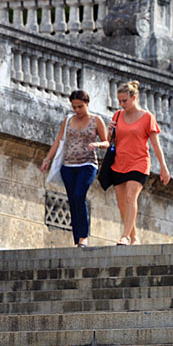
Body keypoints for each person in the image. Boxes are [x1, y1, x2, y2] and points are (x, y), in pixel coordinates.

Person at [40, 90, 108, 247]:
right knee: (72, 201)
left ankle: (83, 236)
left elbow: (106, 142)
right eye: (74, 107)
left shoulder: (96, 120)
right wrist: (47, 159)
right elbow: (59, 140)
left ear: (87, 103)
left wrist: (97, 144)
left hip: (88, 165)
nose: (77, 110)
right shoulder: (68, 120)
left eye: (80, 107)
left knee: (79, 196)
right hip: (68, 166)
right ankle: (77, 240)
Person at [108, 80, 171, 245]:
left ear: (134, 97)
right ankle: (134, 236)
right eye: (119, 101)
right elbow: (110, 142)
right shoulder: (117, 115)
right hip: (119, 163)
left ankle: (125, 236)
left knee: (130, 197)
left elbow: (156, 145)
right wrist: (110, 130)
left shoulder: (147, 117)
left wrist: (163, 167)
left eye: (124, 101)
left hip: (139, 163)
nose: (122, 104)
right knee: (122, 203)